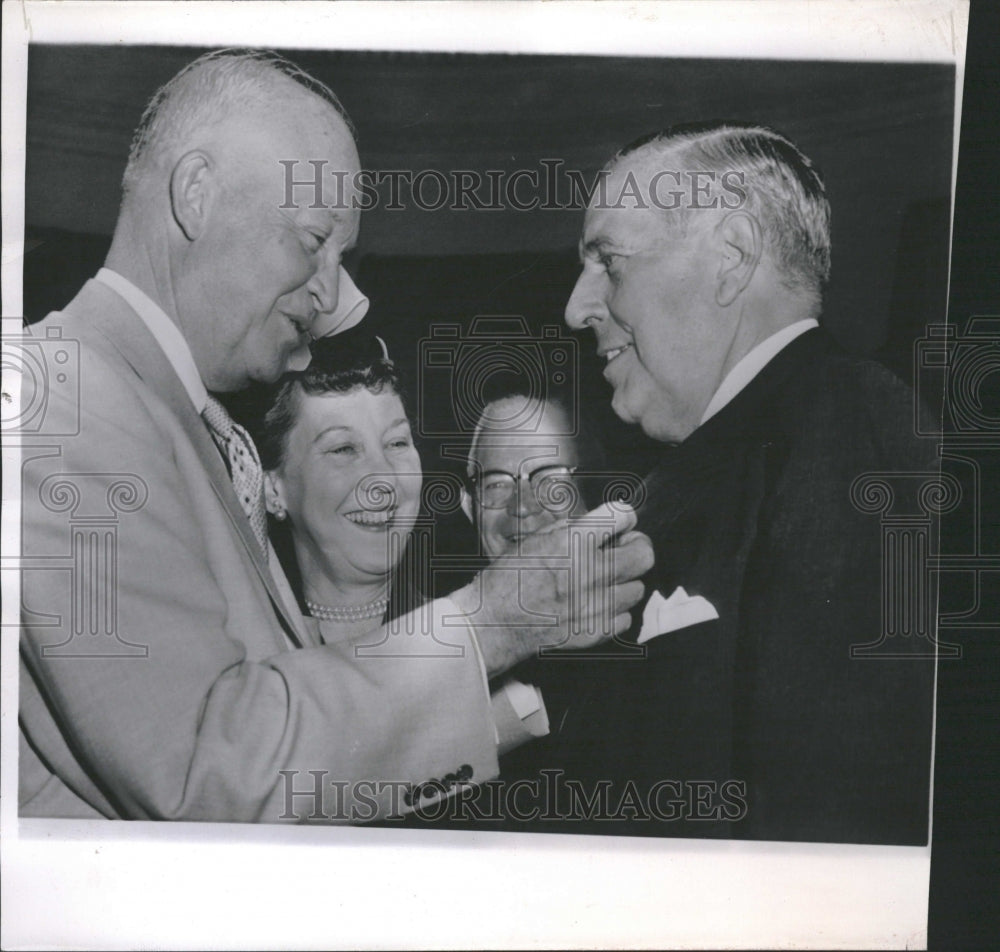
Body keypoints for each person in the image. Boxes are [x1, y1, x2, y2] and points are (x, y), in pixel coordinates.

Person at [17, 49, 652, 823]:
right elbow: (210, 773)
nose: (328, 293)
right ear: (195, 195)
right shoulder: (65, 396)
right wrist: (492, 622)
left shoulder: (153, 406)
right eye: (312, 241)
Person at [533, 121, 937, 844]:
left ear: (731, 257)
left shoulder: (851, 438)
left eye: (610, 262)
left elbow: (827, 827)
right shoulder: (748, 452)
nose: (576, 308)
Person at [257, 336, 548, 757]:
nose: (383, 481)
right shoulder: (237, 665)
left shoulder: (496, 662)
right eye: (343, 449)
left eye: (396, 443)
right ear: (272, 488)